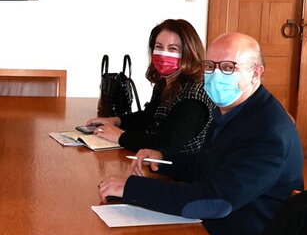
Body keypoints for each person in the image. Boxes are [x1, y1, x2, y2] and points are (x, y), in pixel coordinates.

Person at [98, 32, 304, 235]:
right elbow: (207, 164)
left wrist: (133, 188)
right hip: (215, 228)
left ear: (255, 73)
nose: (215, 75)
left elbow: (216, 201)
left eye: (228, 67)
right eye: (209, 66)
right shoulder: (233, 110)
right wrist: (163, 159)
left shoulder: (268, 131)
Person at [86, 19, 214, 153]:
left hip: (181, 165)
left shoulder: (194, 96)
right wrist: (116, 121)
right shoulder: (165, 82)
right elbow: (149, 117)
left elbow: (167, 143)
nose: (163, 54)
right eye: (159, 47)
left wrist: (121, 136)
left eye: (173, 49)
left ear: (189, 53)